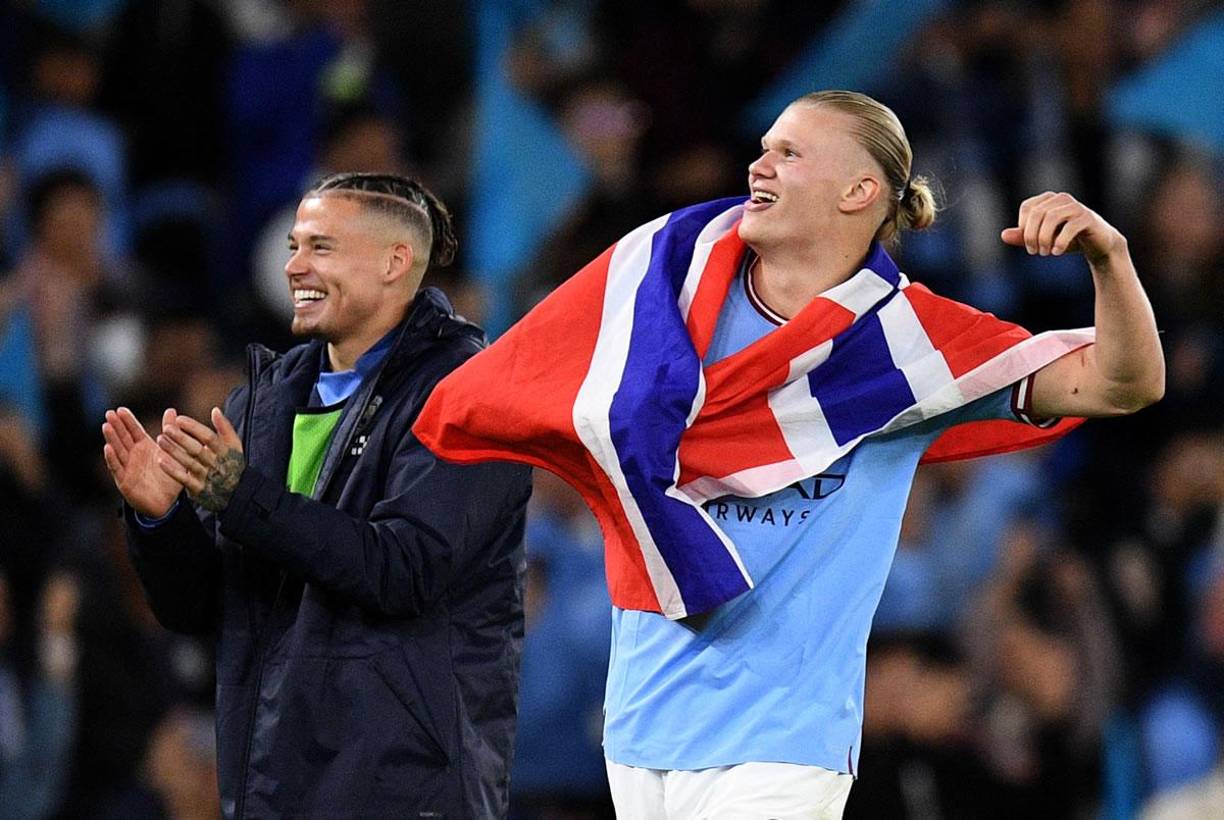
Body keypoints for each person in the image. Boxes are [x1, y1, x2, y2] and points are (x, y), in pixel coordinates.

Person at [412, 90, 1164, 818]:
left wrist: (1111, 257)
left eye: (791, 153)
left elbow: (1122, 383)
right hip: (641, 728)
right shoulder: (659, 288)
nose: (758, 166)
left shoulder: (910, 345)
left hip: (785, 741)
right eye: (764, 148)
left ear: (858, 190)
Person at [101, 172, 532, 819]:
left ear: (394, 263)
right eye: (294, 247)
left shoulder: (469, 393)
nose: (294, 266)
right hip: (272, 790)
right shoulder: (265, 400)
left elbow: (404, 570)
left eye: (320, 247)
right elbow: (206, 608)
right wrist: (162, 520)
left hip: (402, 793)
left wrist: (242, 497)